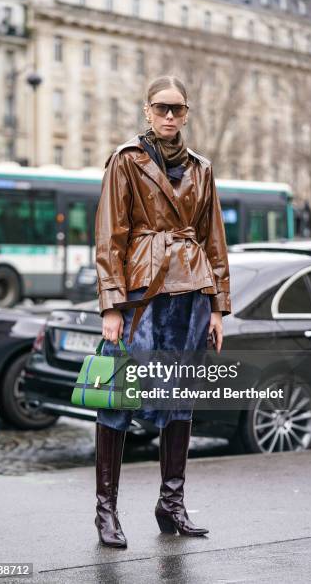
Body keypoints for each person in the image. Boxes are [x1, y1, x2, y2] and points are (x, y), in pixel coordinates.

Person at [94, 75, 231, 548]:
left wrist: (217, 308)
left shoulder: (202, 168)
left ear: (187, 113)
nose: (169, 116)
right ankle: (105, 511)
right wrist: (111, 307)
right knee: (118, 398)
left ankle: (171, 505)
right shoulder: (125, 160)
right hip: (141, 297)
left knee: (180, 398)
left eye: (177, 108)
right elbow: (110, 236)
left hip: (191, 292)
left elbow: (214, 238)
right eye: (161, 108)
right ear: (146, 111)